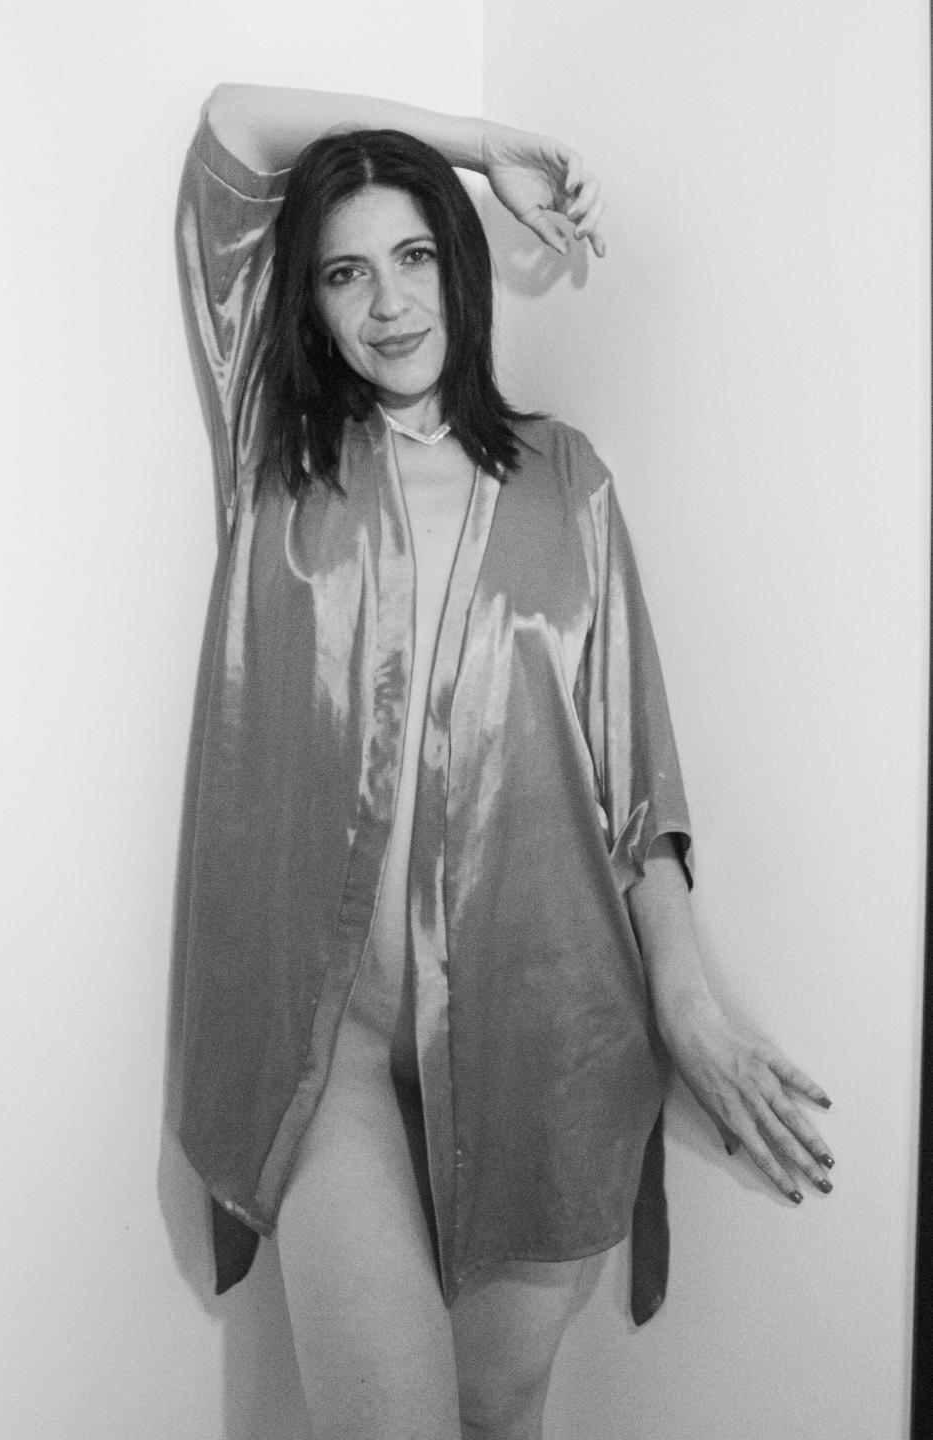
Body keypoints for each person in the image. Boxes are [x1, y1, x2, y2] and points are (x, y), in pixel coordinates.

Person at [172, 83, 835, 1440]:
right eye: (345, 274)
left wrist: (689, 1008)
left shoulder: (565, 480)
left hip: (546, 1035)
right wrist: (476, 150)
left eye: (415, 254)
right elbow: (234, 125)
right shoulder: (275, 457)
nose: (388, 303)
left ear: (458, 272)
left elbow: (634, 781)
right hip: (327, 1042)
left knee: (496, 1408)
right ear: (307, 305)